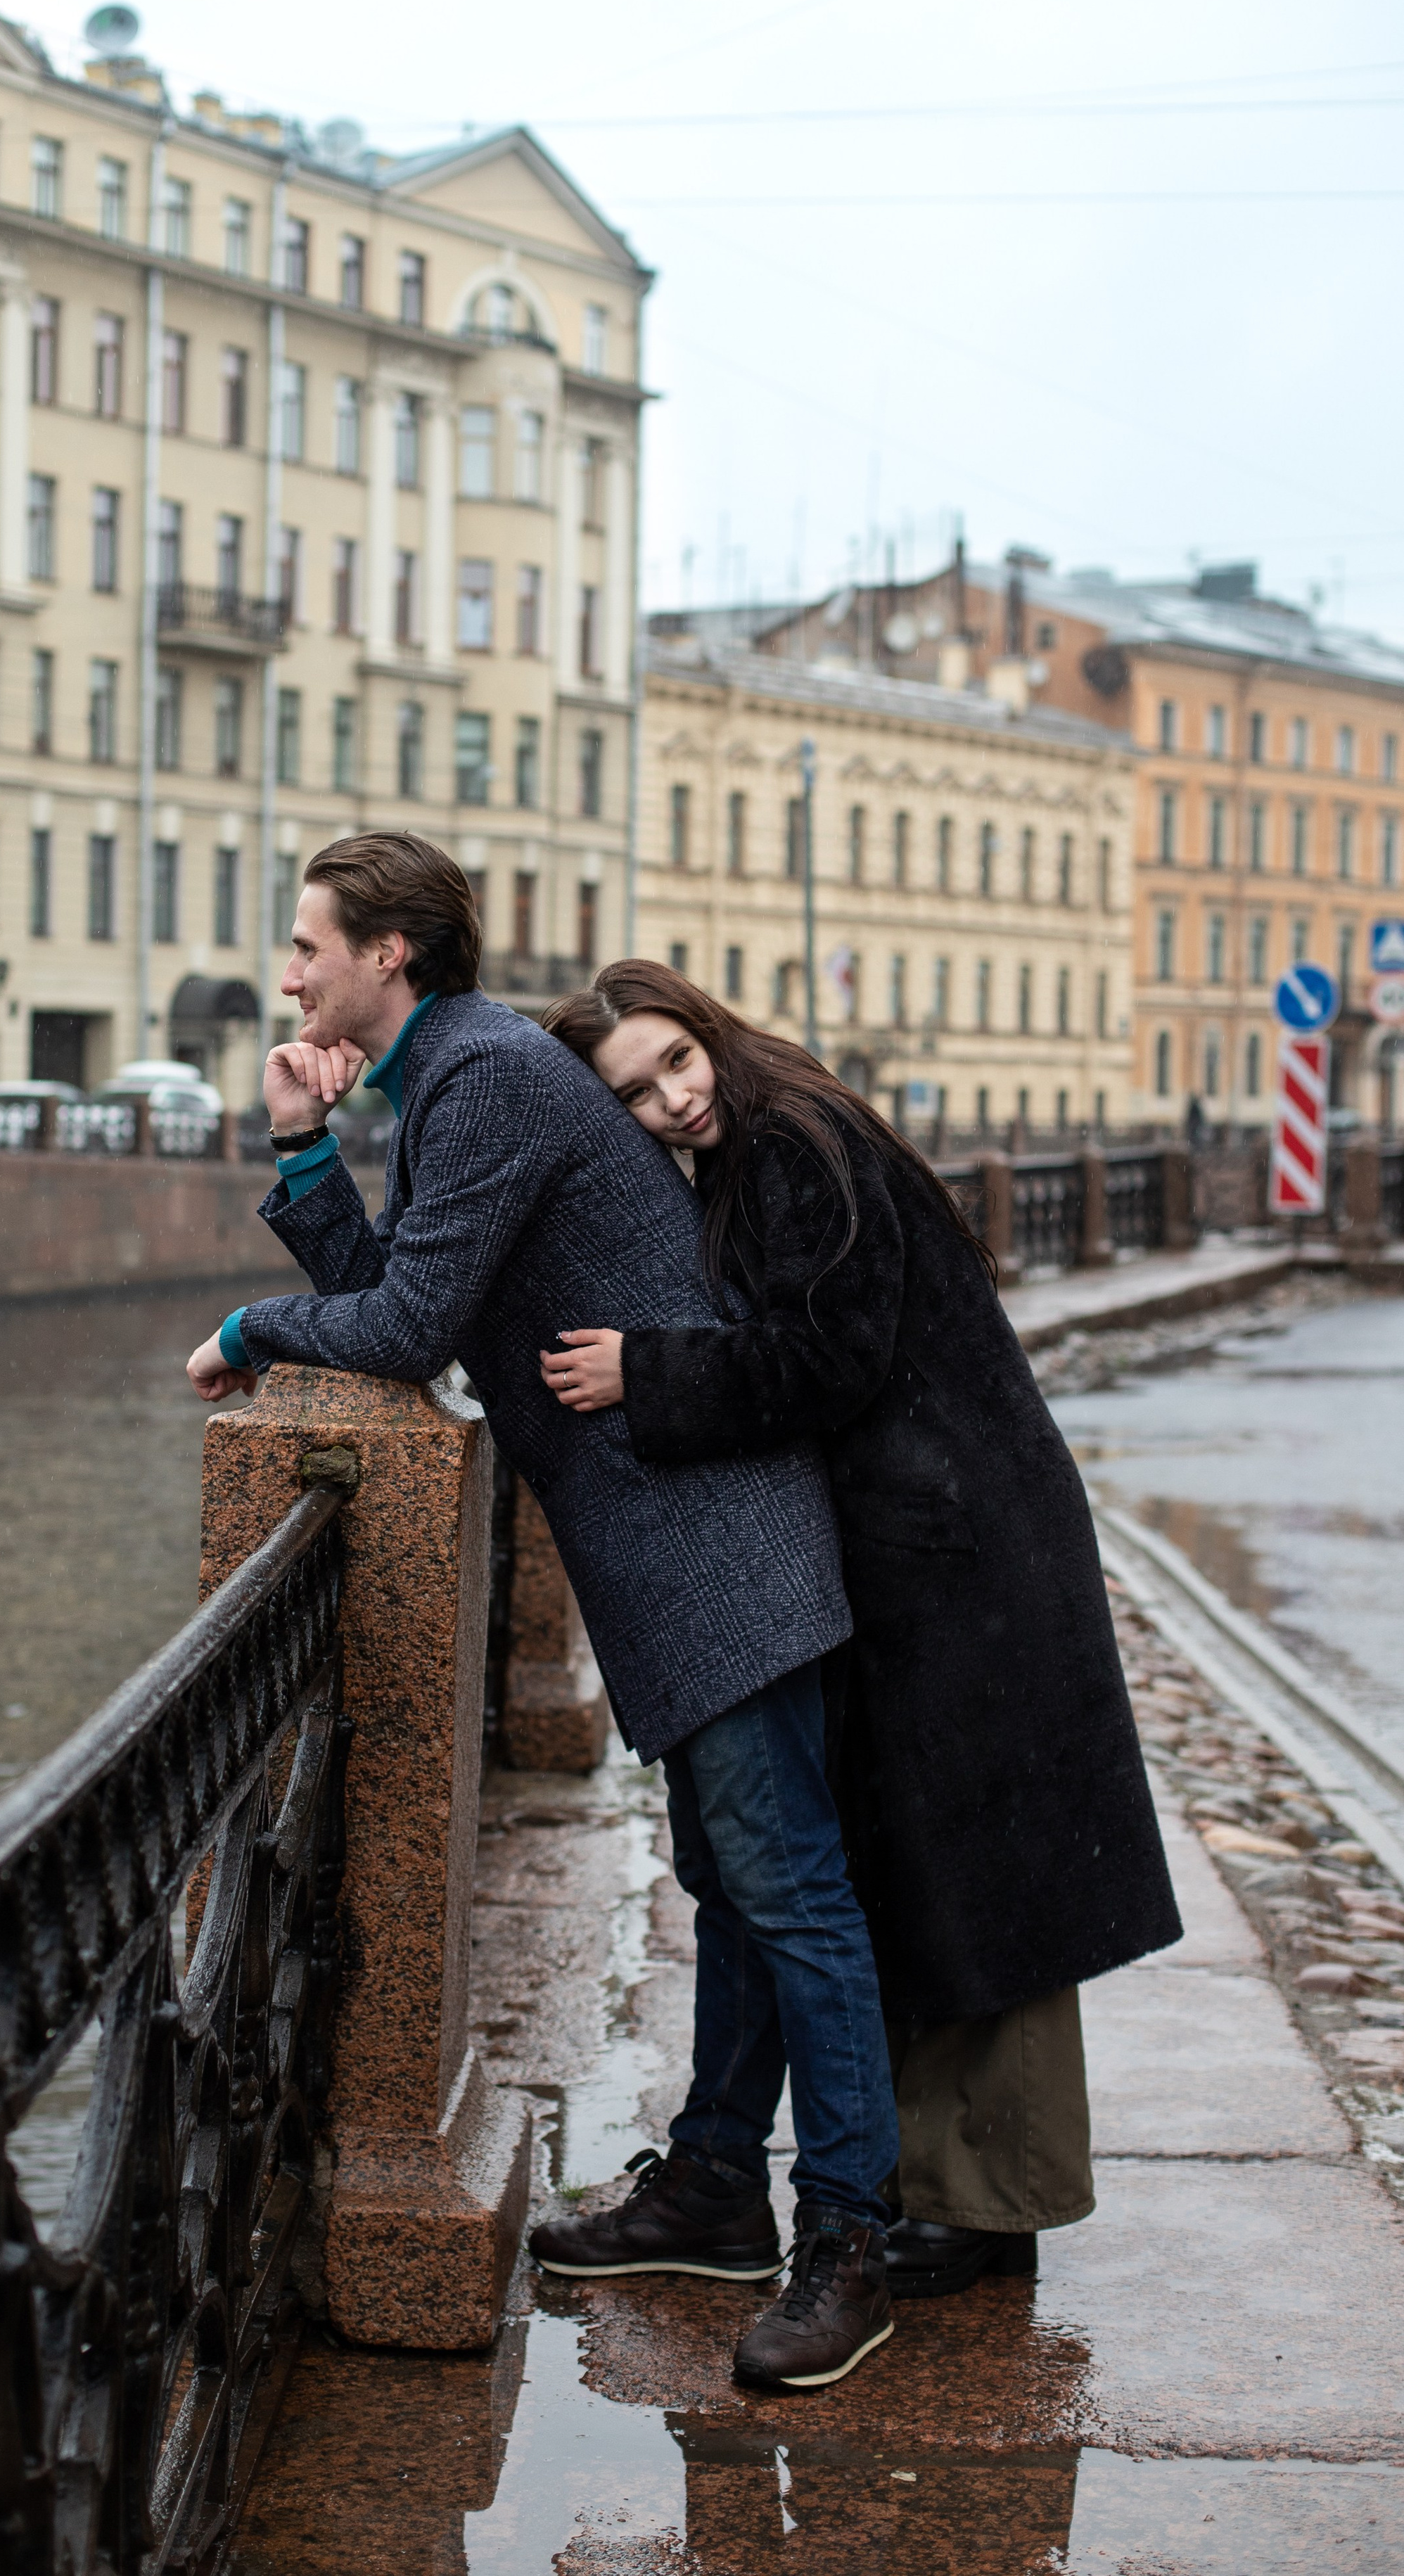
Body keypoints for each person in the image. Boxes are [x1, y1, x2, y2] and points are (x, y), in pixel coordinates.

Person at [186, 835, 900, 2391]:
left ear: (389, 956)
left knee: (791, 1895)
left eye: (309, 946)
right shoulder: (452, 1075)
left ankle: (849, 2232)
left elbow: (405, 1326)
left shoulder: (487, 1076)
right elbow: (403, 1284)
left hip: (716, 1543)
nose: (291, 974)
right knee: (732, 1882)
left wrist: (248, 1323)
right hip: (670, 1541)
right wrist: (306, 1151)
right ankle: (716, 2185)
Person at [538, 959, 1181, 2302]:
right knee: (930, 1869)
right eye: (636, 1093)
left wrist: (640, 1372)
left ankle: (986, 2207)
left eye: (674, 1062)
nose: (670, 1099)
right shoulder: (777, 1132)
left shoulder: (789, 1144)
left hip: (961, 1551)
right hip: (940, 1534)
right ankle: (935, 2191)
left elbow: (835, 1358)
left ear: (705, 1031)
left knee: (983, 1881)